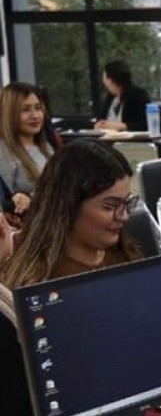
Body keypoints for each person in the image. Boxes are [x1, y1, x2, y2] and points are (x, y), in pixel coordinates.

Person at [1, 139, 140, 289]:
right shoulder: (33, 278)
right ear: (68, 205)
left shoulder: (124, 254)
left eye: (127, 202)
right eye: (109, 206)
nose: (124, 216)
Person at [0, 83, 54, 219]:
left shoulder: (47, 147)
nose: (35, 115)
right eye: (25, 110)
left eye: (38, 108)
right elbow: (7, 204)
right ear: (10, 114)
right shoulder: (3, 151)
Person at [94, 59, 151, 132]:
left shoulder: (138, 95)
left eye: (105, 77)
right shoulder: (110, 98)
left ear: (111, 80)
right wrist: (99, 125)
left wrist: (123, 126)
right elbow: (101, 119)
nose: (104, 82)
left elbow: (147, 124)